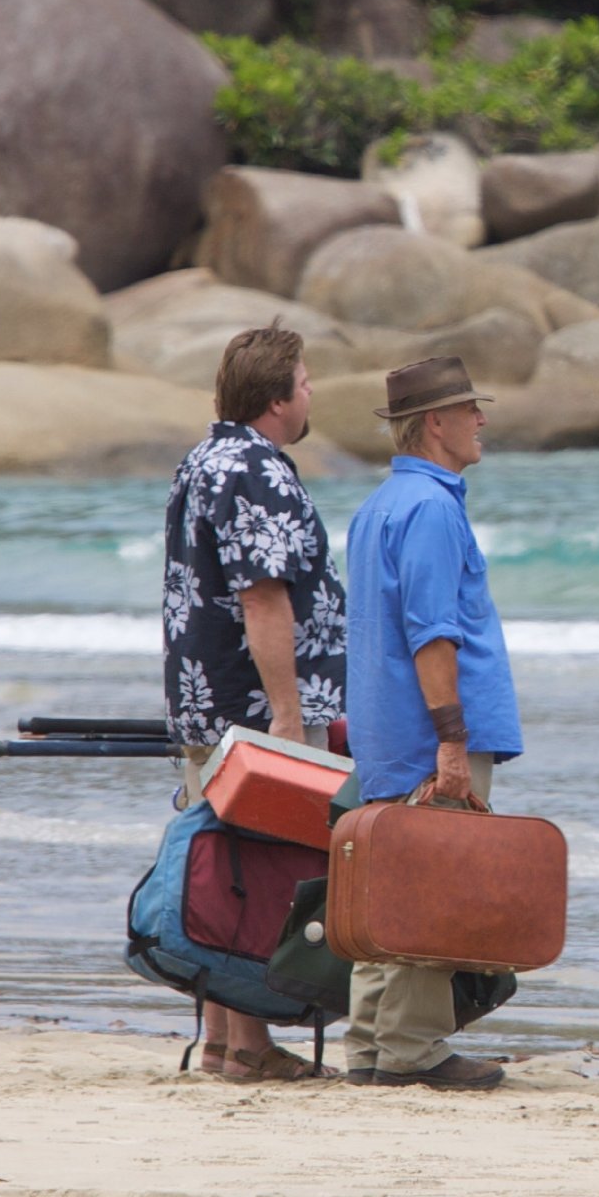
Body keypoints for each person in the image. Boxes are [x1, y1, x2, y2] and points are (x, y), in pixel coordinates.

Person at [161, 323, 347, 1085]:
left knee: (220, 869)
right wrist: (288, 716)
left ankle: (219, 1039)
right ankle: (249, 1045)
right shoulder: (255, 468)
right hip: (250, 708)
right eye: (303, 382)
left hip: (206, 701)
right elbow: (263, 596)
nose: (310, 393)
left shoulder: (205, 458)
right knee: (255, 870)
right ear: (276, 399)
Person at [340, 354, 525, 1093]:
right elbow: (432, 634)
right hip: (425, 735)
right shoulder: (431, 509)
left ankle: (369, 1046)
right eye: (469, 409)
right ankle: (412, 1049)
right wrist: (452, 739)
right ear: (436, 423)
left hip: (386, 732)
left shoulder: (380, 505)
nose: (481, 419)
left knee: (386, 889)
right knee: (433, 887)